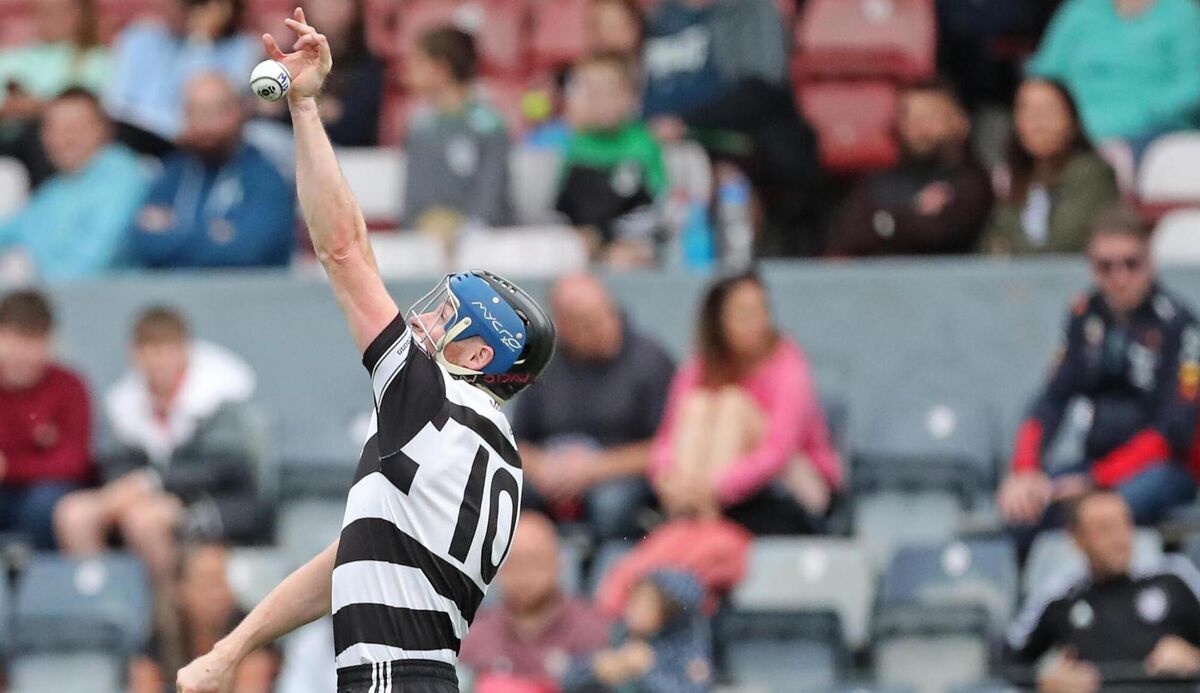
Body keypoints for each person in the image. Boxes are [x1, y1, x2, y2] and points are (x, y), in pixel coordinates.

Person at [176, 10, 556, 693]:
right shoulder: (489, 447)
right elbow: (351, 557)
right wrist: (232, 648)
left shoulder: (434, 404)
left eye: (449, 319)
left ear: (476, 358)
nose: (426, 322)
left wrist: (306, 108)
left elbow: (344, 250)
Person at [997, 206, 1200, 542]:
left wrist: (1097, 479)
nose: (1119, 277)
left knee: (1102, 514)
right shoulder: (1084, 317)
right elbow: (1052, 397)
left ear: (1150, 261)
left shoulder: (1178, 324)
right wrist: (1025, 470)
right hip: (1094, 463)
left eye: (1131, 264)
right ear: (1091, 268)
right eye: (1106, 266)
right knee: (1022, 508)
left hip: (1163, 470)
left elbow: (1174, 431)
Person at [650, 271, 843, 535]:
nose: (758, 323)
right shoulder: (699, 366)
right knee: (698, 406)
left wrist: (716, 487)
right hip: (710, 489)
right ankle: (689, 516)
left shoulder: (789, 365)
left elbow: (778, 450)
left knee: (732, 404)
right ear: (719, 321)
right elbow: (668, 436)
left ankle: (696, 516)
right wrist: (667, 479)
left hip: (794, 485)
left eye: (762, 310)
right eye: (743, 314)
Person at [641, 0, 821, 256]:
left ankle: (736, 265)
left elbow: (762, 88)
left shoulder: (752, 10)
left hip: (732, 141)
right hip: (655, 144)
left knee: (728, 183)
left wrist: (687, 123)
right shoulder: (664, 16)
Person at [516, 274, 675, 542]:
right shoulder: (542, 363)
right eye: (587, 323)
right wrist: (541, 466)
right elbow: (513, 441)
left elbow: (669, 447)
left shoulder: (651, 361)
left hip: (619, 476)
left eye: (608, 315)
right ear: (562, 325)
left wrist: (595, 469)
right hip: (551, 472)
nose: (606, 327)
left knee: (611, 504)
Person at [1006, 491, 1200, 692]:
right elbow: (1006, 662)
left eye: (1124, 524)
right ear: (1077, 539)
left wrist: (1194, 658)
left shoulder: (1172, 577)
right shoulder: (1060, 595)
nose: (1118, 538)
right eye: (1103, 529)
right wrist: (1044, 681)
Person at [129, 72, 295, 269]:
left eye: (216, 111)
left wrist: (174, 229)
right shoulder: (173, 171)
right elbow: (142, 243)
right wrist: (214, 232)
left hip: (245, 295)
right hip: (175, 294)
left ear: (240, 112)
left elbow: (248, 252)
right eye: (195, 112)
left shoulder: (265, 177)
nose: (205, 124)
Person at [826, 80, 993, 256]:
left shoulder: (974, 185)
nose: (917, 127)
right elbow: (848, 236)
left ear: (961, 123)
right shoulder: (876, 184)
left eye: (930, 117)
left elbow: (938, 232)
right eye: (908, 117)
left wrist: (883, 222)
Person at [0, 88, 148, 281]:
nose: (61, 139)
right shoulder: (56, 188)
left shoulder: (123, 176)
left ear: (104, 129)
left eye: (73, 128)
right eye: (52, 128)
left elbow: (91, 264)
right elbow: (12, 231)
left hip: (107, 303)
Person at [459, 512, 610, 689]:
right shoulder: (474, 636)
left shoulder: (591, 631)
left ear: (559, 561)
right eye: (513, 564)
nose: (524, 575)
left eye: (535, 561)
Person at [1028, 0, 1200, 143]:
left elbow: (1193, 87)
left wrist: (1138, 115)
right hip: (1071, 134)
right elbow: (1044, 75)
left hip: (1153, 134)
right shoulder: (1079, 11)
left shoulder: (1182, 13)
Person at [983, 78, 1121, 255]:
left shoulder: (1092, 173)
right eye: (1027, 110)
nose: (1037, 121)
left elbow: (1063, 245)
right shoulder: (1016, 178)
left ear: (1072, 121)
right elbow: (990, 245)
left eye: (1048, 110)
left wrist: (1010, 251)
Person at [556, 53, 667, 268]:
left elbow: (655, 208)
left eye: (610, 92)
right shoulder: (573, 145)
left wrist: (607, 238)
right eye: (592, 93)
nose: (601, 102)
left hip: (633, 242)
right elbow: (561, 208)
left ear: (630, 97)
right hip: (580, 243)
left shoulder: (643, 144)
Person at [105, 0, 260, 155]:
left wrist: (201, 39)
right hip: (133, 137)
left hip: (200, 144)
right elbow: (117, 102)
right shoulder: (140, 37)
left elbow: (217, 105)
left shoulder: (243, 48)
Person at [0, 290, 92, 550]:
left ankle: (45, 587)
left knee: (44, 504)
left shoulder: (69, 386)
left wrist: (9, 468)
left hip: (47, 497)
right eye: (17, 341)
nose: (26, 355)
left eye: (35, 342)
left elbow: (74, 462)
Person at [401, 27, 511, 233]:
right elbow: (413, 200)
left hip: (487, 243)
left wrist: (460, 228)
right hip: (427, 240)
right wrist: (426, 225)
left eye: (418, 62)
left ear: (441, 69)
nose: (408, 70)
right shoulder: (419, 129)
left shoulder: (490, 127)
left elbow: (492, 196)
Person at [131, 543, 280, 692]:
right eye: (207, 582)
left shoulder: (253, 636)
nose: (218, 594)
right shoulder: (160, 638)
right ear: (181, 589)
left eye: (223, 580)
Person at [0, 0, 109, 185]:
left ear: (81, 14)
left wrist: (38, 108)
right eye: (44, 12)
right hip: (8, 133)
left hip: (49, 143)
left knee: (44, 136)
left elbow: (90, 113)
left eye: (62, 11)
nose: (52, 19)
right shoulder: (12, 58)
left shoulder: (98, 60)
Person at [563, 570, 712, 693]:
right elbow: (566, 679)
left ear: (671, 614)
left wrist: (646, 671)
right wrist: (596, 669)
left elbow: (694, 689)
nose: (636, 611)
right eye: (635, 600)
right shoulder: (617, 634)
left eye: (649, 605)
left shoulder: (684, 650)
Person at [269, 0, 383, 147]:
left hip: (350, 157)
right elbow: (267, 111)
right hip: (288, 150)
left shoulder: (368, 65)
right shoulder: (287, 57)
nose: (329, 7)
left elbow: (356, 125)